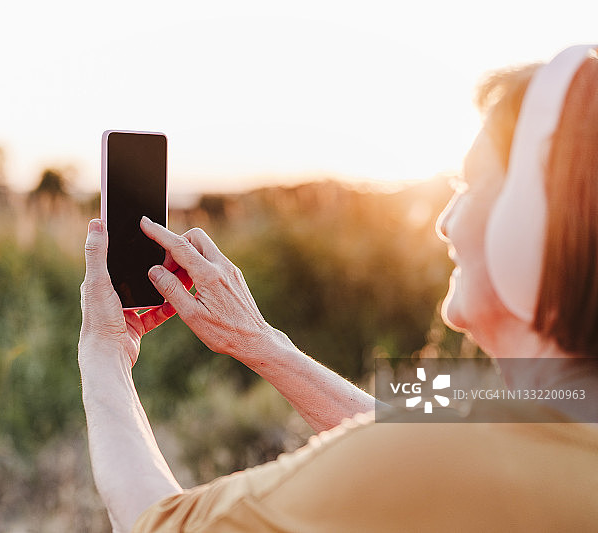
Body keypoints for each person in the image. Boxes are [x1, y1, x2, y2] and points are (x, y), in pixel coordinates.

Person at [78, 45, 598, 532]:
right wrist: (264, 345)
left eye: (468, 185)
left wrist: (106, 352)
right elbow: (430, 448)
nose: (445, 221)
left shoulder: (453, 458)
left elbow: (158, 523)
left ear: (536, 221)